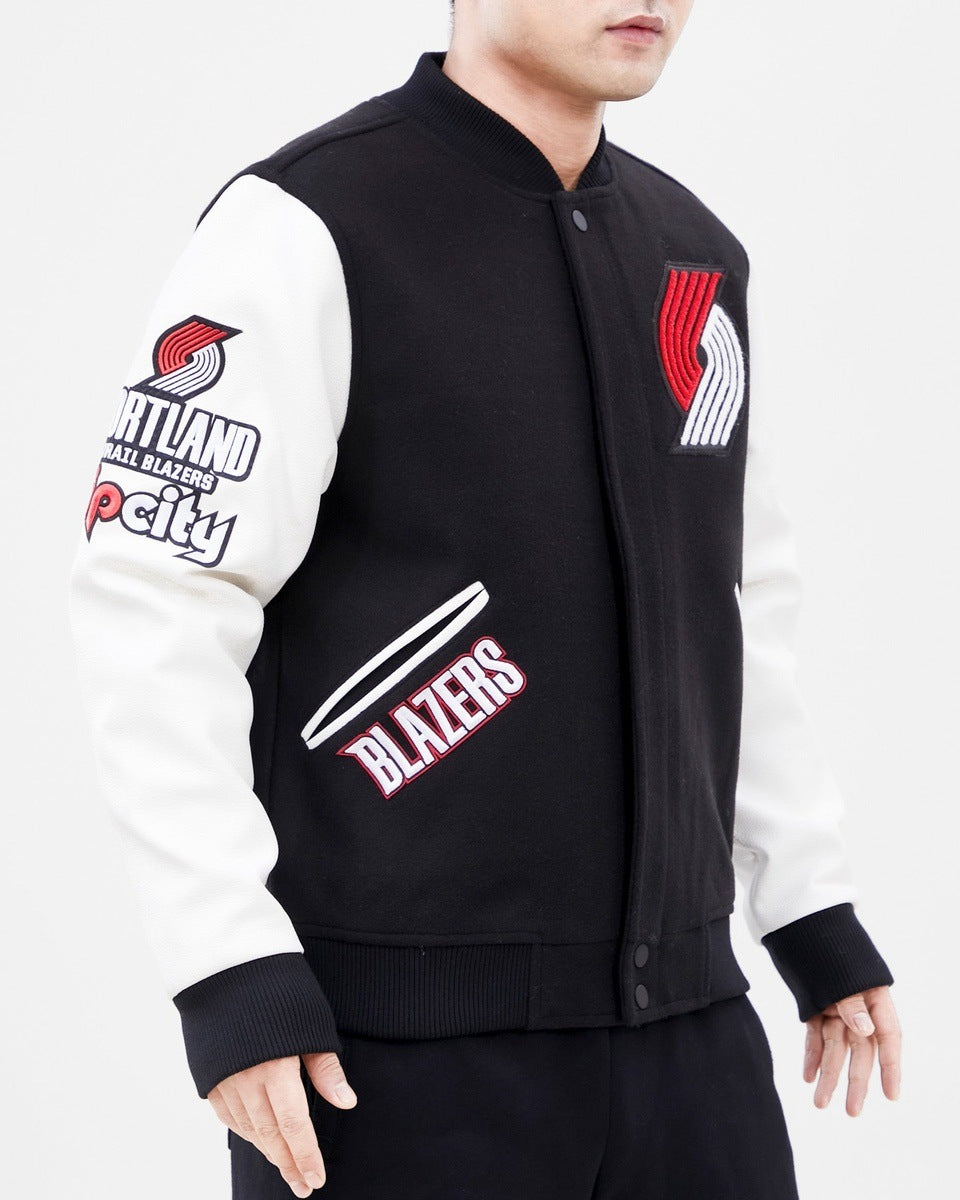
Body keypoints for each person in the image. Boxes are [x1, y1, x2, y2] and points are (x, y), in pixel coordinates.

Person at [68, 2, 902, 1196]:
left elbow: (733, 604)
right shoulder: (305, 226)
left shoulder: (694, 257)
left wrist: (808, 902)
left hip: (691, 1048)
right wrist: (226, 964)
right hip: (389, 1059)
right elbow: (157, 592)